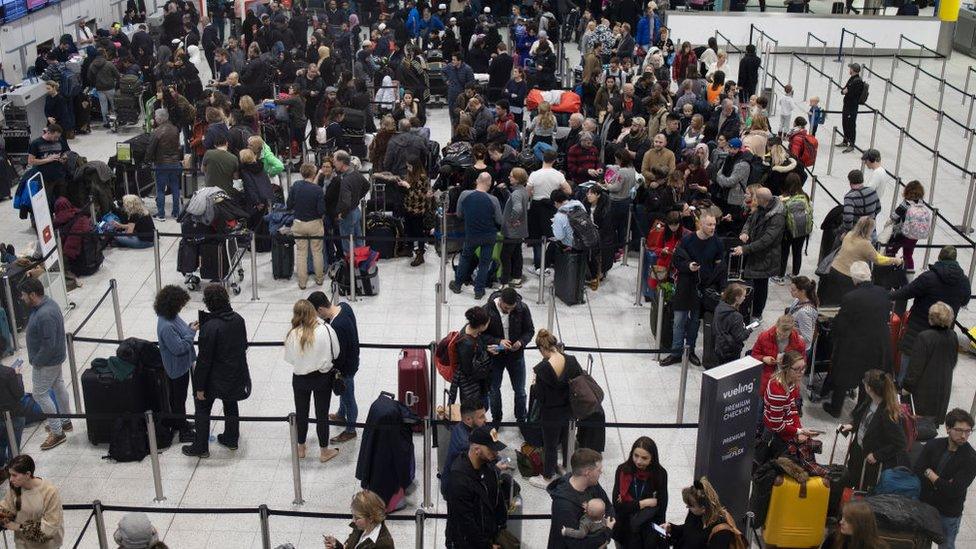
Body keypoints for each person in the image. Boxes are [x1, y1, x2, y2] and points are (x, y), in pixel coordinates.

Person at [183, 284, 250, 458]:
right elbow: (244, 345)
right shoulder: (239, 319)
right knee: (230, 403)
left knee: (202, 408)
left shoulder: (210, 327)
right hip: (234, 373)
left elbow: (204, 361)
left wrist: (199, 387)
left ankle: (201, 447)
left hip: (213, 378)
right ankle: (231, 438)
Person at [890, 246, 971, 383]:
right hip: (943, 333)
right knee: (929, 368)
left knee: (907, 365)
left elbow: (905, 293)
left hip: (917, 330)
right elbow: (965, 300)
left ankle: (901, 391)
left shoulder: (928, 277)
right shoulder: (963, 281)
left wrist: (885, 295)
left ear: (939, 257)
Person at [822, 262, 892, 418]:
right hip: (878, 344)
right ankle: (860, 410)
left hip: (854, 346)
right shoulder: (883, 293)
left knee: (842, 376)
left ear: (854, 279)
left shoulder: (850, 297)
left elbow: (842, 322)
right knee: (868, 380)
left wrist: (832, 334)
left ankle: (835, 408)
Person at [660, 213, 724, 367]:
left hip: (703, 287)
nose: (712, 228)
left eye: (714, 224)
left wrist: (721, 287)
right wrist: (688, 267)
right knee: (679, 320)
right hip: (685, 284)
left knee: (694, 322)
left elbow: (720, 267)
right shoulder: (688, 240)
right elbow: (677, 261)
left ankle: (691, 351)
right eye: (709, 224)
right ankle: (676, 352)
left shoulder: (717, 242)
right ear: (700, 224)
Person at [284, 299, 341, 463]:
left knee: (301, 414)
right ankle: (324, 451)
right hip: (322, 378)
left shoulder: (293, 334)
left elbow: (290, 359)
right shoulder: (326, 330)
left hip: (300, 379)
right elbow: (335, 353)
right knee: (322, 414)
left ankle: (300, 448)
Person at [529, 329, 585, 491]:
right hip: (569, 409)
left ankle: (548, 476)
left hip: (550, 412)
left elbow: (541, 397)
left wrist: (534, 384)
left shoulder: (542, 369)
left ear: (542, 348)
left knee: (550, 444)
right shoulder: (571, 360)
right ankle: (567, 468)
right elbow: (578, 380)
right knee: (568, 439)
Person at [20, 278, 71, 451]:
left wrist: (37, 361)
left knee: (40, 394)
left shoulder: (44, 314)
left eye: (24, 294)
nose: (21, 297)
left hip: (47, 362)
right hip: (54, 359)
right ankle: (65, 421)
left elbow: (48, 345)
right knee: (58, 385)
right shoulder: (49, 305)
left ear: (33, 295)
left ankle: (57, 432)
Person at [915, 408, 976, 549]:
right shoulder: (934, 445)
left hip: (948, 512)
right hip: (926, 504)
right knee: (920, 542)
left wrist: (931, 474)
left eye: (968, 431)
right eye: (959, 430)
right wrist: (942, 482)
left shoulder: (971, 458)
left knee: (946, 545)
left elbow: (953, 491)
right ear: (948, 428)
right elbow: (918, 469)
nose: (964, 436)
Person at [838, 369, 908, 491]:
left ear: (869, 388)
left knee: (862, 489)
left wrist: (877, 455)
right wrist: (853, 425)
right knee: (851, 479)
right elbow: (863, 419)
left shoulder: (888, 413)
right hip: (858, 452)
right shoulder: (870, 400)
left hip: (871, 463)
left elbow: (900, 443)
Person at [308, 291, 360, 445]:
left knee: (348, 397)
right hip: (353, 359)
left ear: (320, 310)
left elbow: (339, 355)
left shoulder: (337, 325)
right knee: (344, 392)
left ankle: (351, 429)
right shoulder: (344, 306)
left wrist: (332, 369)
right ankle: (340, 414)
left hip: (346, 368)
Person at [445, 425, 508, 548]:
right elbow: (466, 523)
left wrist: (500, 529)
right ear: (476, 449)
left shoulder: (489, 467)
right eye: (491, 449)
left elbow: (496, 500)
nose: (496, 453)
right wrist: (486, 546)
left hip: (489, 536)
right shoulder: (459, 480)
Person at [820, 217, 901, 307]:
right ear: (869, 230)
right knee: (844, 303)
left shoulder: (849, 234)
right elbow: (878, 259)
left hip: (834, 270)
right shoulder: (865, 244)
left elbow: (842, 239)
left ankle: (825, 318)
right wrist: (895, 260)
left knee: (831, 299)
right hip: (848, 276)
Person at [483, 287, 534, 429]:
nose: (509, 311)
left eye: (512, 308)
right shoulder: (487, 310)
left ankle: (521, 419)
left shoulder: (522, 308)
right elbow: (481, 335)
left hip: (516, 355)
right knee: (494, 389)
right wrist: (498, 341)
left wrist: (521, 342)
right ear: (500, 301)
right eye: (506, 308)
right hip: (495, 357)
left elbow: (529, 330)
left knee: (520, 390)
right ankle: (496, 419)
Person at [732, 187, 786, 322]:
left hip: (766, 257)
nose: (753, 200)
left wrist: (745, 249)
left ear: (762, 200)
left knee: (761, 285)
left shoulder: (777, 216)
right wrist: (745, 232)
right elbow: (750, 220)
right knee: (751, 282)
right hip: (755, 253)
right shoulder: (762, 207)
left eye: (756, 197)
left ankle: (757, 313)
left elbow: (766, 241)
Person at [547, 448, 616, 548]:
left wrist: (605, 538)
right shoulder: (563, 506)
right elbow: (574, 544)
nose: (601, 472)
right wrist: (605, 535)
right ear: (587, 473)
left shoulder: (592, 484)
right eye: (599, 470)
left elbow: (609, 507)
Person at [449, 173, 503, 300]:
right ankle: (479, 290)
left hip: (471, 234)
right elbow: (499, 220)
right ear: (489, 184)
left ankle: (457, 285)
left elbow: (459, 214)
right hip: (489, 235)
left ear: (477, 181)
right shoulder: (493, 200)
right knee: (484, 263)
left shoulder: (464, 195)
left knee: (465, 258)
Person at [903, 302, 959, 425]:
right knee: (932, 425)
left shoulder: (924, 337)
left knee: (917, 425)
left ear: (931, 318)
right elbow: (953, 361)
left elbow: (915, 367)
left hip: (924, 389)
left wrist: (906, 386)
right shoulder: (953, 336)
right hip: (943, 387)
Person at [154, 285, 197, 443]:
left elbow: (182, 332)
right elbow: (179, 348)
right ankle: (182, 430)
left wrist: (190, 328)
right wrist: (192, 332)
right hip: (176, 369)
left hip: (181, 365)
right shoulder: (166, 326)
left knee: (179, 398)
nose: (181, 308)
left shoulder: (171, 316)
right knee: (179, 399)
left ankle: (181, 422)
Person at [610, 437, 668, 548]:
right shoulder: (622, 470)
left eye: (644, 458)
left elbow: (661, 507)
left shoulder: (660, 474)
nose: (638, 461)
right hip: (625, 529)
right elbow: (618, 507)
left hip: (649, 532)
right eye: (636, 456)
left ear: (652, 458)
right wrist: (644, 503)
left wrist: (659, 533)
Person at [759, 351, 817, 461]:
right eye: (797, 369)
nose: (801, 372)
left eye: (803, 368)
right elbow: (777, 425)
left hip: (787, 429)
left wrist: (799, 429)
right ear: (786, 368)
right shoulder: (778, 391)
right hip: (776, 435)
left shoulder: (791, 382)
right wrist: (798, 432)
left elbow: (793, 408)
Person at [0, 455, 64, 548]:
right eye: (10, 475)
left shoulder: (49, 492)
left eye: (14, 475)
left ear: (28, 474)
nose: (11, 479)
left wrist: (19, 527)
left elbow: (51, 527)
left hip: (46, 546)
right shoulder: (15, 487)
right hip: (22, 544)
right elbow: (7, 507)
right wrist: (3, 516)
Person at [527, 150, 571, 273]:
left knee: (536, 237)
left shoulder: (534, 174)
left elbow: (528, 192)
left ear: (542, 158)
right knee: (553, 236)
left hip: (536, 207)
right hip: (551, 207)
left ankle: (538, 266)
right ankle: (547, 261)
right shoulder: (558, 175)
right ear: (555, 160)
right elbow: (568, 190)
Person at [666, 477, 741, 547]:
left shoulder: (721, 533)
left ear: (703, 508)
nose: (687, 507)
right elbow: (688, 530)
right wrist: (672, 528)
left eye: (690, 505)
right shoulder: (695, 513)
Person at [287, 163, 327, 289]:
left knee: (301, 253)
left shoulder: (295, 186)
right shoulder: (318, 190)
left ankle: (302, 282)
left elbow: (289, 205)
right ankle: (319, 279)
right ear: (313, 174)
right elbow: (321, 210)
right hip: (314, 224)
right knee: (317, 253)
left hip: (298, 224)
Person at [440, 398, 488, 497]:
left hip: (458, 479)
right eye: (481, 417)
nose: (486, 420)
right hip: (456, 490)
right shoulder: (466, 444)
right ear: (468, 419)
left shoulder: (461, 426)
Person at [751, 315, 808, 392]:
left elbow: (802, 363)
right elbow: (754, 355)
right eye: (779, 333)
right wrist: (764, 358)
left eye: (784, 335)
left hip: (789, 378)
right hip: (767, 376)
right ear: (776, 326)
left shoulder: (799, 343)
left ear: (791, 331)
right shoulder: (764, 337)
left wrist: (790, 363)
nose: (780, 337)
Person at [145, 109, 183, 220]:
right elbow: (178, 146)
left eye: (156, 116)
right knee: (175, 188)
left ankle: (161, 214)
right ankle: (176, 212)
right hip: (175, 163)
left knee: (160, 189)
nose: (155, 118)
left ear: (161, 118)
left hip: (161, 164)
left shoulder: (157, 132)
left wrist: (147, 160)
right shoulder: (175, 129)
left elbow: (150, 149)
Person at [323, 490, 395, 549]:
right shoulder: (360, 526)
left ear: (371, 518)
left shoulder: (384, 544)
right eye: (353, 515)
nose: (353, 520)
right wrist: (336, 545)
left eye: (357, 517)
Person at [884, 180, 926, 272]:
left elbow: (894, 216)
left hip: (901, 233)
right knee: (908, 255)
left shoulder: (906, 203)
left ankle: (888, 273)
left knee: (890, 252)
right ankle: (909, 277)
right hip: (914, 235)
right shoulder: (921, 203)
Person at [777, 174, 812, 281]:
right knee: (797, 252)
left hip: (787, 231)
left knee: (784, 252)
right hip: (802, 230)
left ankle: (780, 277)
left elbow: (781, 213)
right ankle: (795, 274)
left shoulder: (784, 197)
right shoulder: (804, 195)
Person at [333, 150, 369, 253]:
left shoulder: (346, 180)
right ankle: (362, 264)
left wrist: (342, 215)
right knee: (359, 241)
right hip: (356, 212)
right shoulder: (355, 173)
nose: (334, 163)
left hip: (348, 215)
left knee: (347, 245)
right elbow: (367, 185)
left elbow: (346, 203)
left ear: (341, 162)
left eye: (335, 161)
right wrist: (357, 198)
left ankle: (351, 266)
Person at [500, 167, 530, 287]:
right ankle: (517, 278)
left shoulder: (517, 193)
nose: (509, 177)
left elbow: (517, 208)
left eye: (511, 176)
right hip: (520, 230)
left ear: (517, 179)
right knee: (517, 254)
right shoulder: (523, 191)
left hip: (512, 231)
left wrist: (511, 220)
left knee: (505, 256)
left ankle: (504, 281)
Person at [712, 283, 754, 366]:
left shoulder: (719, 307)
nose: (744, 298)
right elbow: (740, 337)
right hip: (731, 350)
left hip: (719, 346)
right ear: (737, 298)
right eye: (743, 296)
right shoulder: (737, 316)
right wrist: (749, 330)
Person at [27, 125, 70, 205]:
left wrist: (63, 158)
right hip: (45, 179)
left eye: (58, 137)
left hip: (59, 176)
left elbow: (65, 153)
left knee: (62, 201)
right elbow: (31, 161)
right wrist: (48, 159)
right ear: (49, 133)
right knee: (46, 202)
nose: (57, 139)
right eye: (55, 137)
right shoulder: (36, 143)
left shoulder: (60, 141)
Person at [821, 500, 886, 549]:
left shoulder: (877, 547)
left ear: (860, 524)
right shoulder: (834, 538)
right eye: (843, 517)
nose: (841, 522)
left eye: (848, 520)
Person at [785, 276, 819, 350]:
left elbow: (807, 338)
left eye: (794, 290)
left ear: (802, 291)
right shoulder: (797, 300)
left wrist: (789, 332)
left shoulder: (804, 312)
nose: (791, 291)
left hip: (799, 349)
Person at [839, 63, 865, 153]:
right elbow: (844, 90)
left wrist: (846, 91)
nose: (849, 70)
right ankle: (845, 141)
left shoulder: (857, 81)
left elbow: (852, 94)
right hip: (847, 105)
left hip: (852, 107)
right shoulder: (852, 79)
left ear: (853, 70)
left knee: (851, 125)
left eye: (850, 68)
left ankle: (852, 144)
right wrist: (844, 91)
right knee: (845, 123)